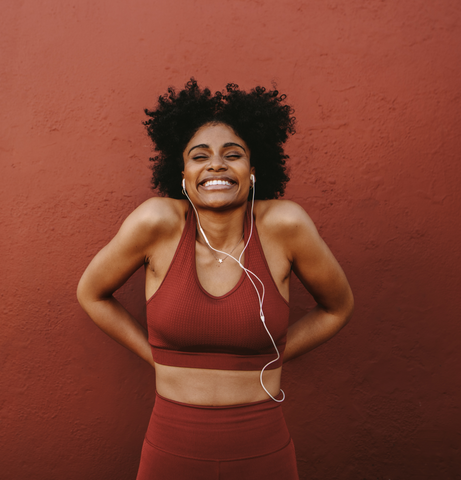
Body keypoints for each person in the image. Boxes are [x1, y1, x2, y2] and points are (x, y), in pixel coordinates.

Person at [77, 79, 354, 479]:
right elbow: (91, 293)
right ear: (184, 173)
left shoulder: (284, 226)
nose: (217, 165)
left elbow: (338, 308)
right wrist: (153, 355)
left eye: (233, 154)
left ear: (254, 170)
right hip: (171, 449)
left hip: (263, 451)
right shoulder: (156, 223)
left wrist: (274, 355)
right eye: (199, 156)